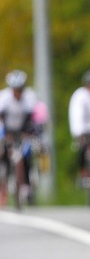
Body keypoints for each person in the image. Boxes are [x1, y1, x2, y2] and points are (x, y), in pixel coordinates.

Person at [0, 70, 41, 203]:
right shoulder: (4, 98)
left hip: (23, 130)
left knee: (27, 154)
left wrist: (28, 133)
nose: (18, 93)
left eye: (20, 89)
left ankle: (27, 184)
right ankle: (5, 178)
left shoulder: (29, 97)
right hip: (7, 129)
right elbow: (2, 117)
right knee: (4, 152)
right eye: (15, 90)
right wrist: (5, 134)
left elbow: (30, 119)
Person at [69, 69, 90, 178]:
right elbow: (77, 114)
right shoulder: (80, 96)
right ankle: (83, 170)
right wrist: (79, 132)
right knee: (82, 148)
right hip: (84, 130)